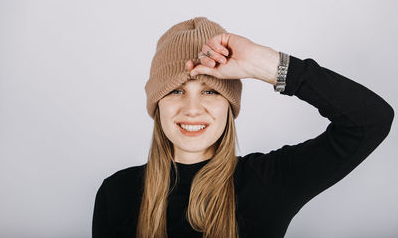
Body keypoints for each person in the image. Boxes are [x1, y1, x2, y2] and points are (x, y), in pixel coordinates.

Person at [92, 17, 394, 238]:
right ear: (156, 103)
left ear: (229, 104)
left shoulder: (269, 182)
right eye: (176, 90)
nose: (192, 109)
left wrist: (266, 64)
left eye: (210, 91)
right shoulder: (116, 193)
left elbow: (371, 121)